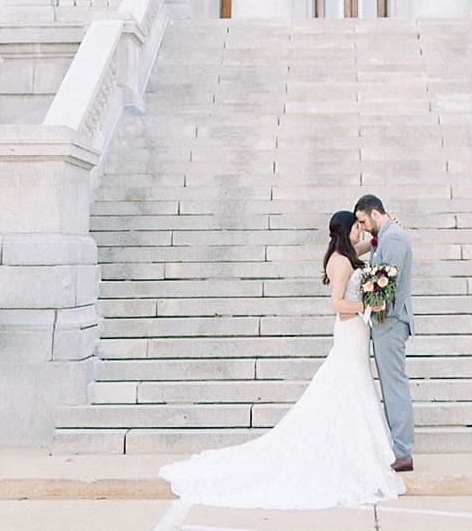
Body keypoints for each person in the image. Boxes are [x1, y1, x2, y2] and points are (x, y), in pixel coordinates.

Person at [158, 209, 404, 511]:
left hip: (355, 334)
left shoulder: (346, 253)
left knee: (354, 384)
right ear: (346, 230)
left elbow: (364, 248)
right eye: (357, 227)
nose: (361, 232)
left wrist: (382, 233)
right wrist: (367, 304)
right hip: (350, 330)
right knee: (348, 385)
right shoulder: (339, 262)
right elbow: (336, 304)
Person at [354, 192, 414, 473]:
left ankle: (403, 451)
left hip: (390, 321)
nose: (363, 227)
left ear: (374, 213)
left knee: (394, 387)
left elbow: (386, 283)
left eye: (363, 221)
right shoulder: (384, 236)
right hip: (382, 322)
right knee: (390, 387)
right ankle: (396, 445)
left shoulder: (395, 238)